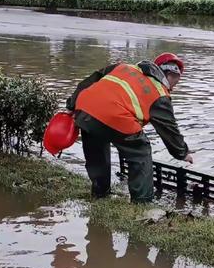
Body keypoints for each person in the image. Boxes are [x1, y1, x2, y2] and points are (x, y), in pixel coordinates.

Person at [66, 53, 193, 203]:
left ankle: (100, 194)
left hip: (85, 111)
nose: (173, 88)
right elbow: (169, 129)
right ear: (171, 74)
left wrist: (72, 104)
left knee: (97, 149)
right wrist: (183, 153)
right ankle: (142, 203)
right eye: (175, 82)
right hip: (115, 116)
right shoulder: (159, 93)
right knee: (141, 150)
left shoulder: (123, 67)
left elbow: (91, 79)